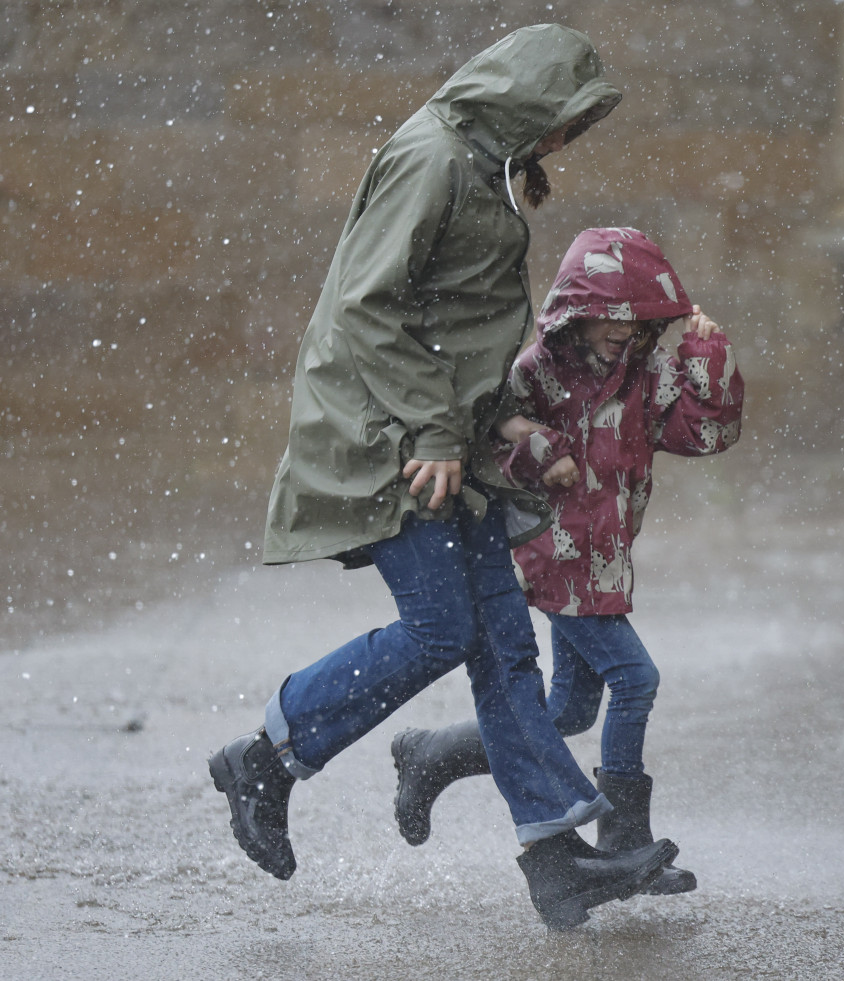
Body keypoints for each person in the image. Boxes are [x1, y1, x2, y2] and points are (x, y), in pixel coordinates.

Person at [208, 28, 680, 931]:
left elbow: (453, 319)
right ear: (523, 100)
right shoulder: (432, 157)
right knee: (442, 628)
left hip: (444, 443)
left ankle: (555, 858)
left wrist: (498, 415)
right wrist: (433, 426)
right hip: (388, 441)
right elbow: (370, 306)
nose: (557, 146)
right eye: (557, 124)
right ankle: (266, 754)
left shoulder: (480, 163)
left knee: (503, 643)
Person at [391, 228, 744, 896]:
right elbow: (486, 443)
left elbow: (705, 433)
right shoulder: (536, 372)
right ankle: (625, 841)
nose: (622, 330)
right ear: (577, 310)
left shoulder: (644, 378)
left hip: (601, 563)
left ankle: (431, 752)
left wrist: (706, 356)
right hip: (549, 554)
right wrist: (538, 451)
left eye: (635, 318)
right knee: (634, 678)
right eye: (608, 314)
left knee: (570, 709)